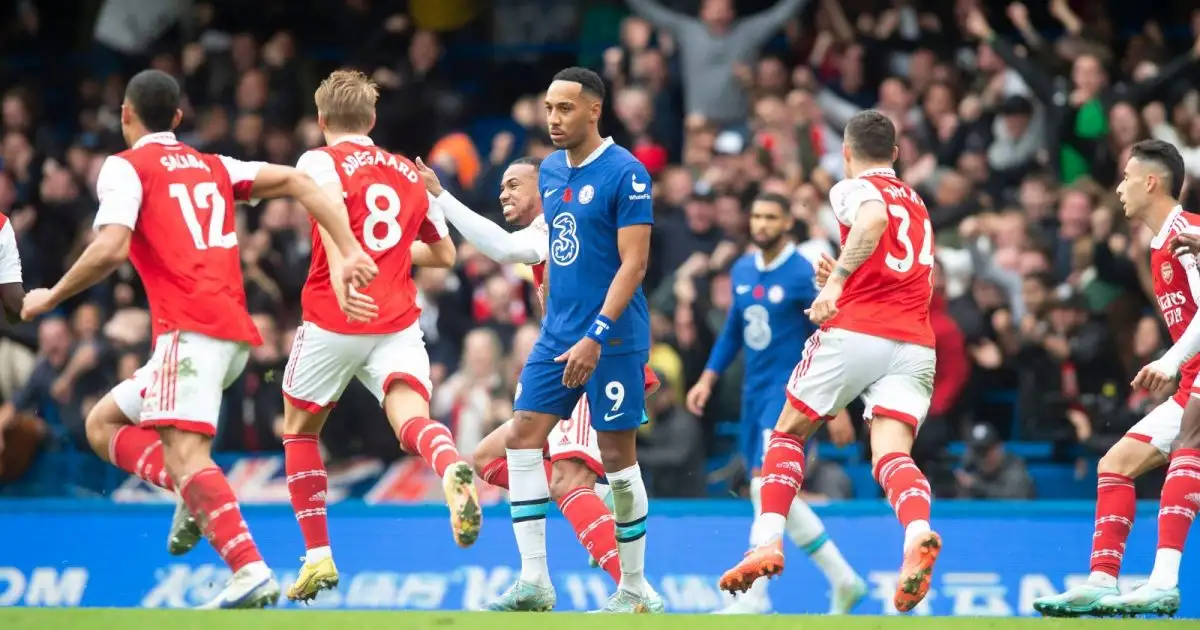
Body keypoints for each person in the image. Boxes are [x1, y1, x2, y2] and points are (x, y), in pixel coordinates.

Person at [20, 69, 378, 609]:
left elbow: (112, 247)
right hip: (230, 336)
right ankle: (193, 491)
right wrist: (348, 247)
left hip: (189, 332)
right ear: (180, 118)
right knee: (104, 423)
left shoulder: (125, 166)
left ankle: (249, 569)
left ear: (126, 115)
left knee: (188, 456)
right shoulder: (215, 166)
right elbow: (302, 183)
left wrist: (49, 296)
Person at [717, 109, 940, 614]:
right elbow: (911, 270)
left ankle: (767, 541)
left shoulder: (853, 188)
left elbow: (873, 218)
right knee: (891, 456)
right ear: (897, 153)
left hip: (859, 329)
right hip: (915, 341)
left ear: (846, 150)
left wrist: (839, 283)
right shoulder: (919, 201)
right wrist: (843, 270)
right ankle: (919, 533)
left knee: (787, 435)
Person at [416, 155, 663, 599]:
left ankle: (634, 592)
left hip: (591, 359)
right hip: (564, 359)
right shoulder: (545, 231)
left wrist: (442, 196)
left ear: (543, 187)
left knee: (568, 479)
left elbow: (504, 248)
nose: (503, 193)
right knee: (491, 456)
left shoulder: (561, 223)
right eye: (502, 186)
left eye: (514, 185)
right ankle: (599, 510)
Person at [277, 69, 476, 603]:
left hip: (336, 312)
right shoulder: (409, 173)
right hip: (397, 318)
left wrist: (347, 261)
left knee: (299, 430)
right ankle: (450, 466)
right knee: (412, 418)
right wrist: (385, 257)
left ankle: (317, 555)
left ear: (322, 120)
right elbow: (444, 255)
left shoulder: (318, 161)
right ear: (372, 119)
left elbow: (328, 212)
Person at [499, 66, 661, 613]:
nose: (554, 118)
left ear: (594, 109)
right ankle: (534, 582)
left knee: (617, 459)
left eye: (565, 108)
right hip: (556, 335)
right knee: (522, 438)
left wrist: (596, 335)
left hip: (612, 338)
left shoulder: (628, 173)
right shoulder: (547, 171)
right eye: (548, 108)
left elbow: (634, 265)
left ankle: (635, 590)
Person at [1034, 139, 1196, 618]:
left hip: (1193, 372)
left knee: (1189, 443)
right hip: (1193, 376)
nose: (1119, 187)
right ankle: (1102, 580)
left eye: (1126, 177)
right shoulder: (1155, 243)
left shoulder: (1185, 232)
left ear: (1151, 181)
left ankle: (1164, 582)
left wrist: (1170, 361)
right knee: (1116, 464)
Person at [686, 192, 866, 615]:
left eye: (771, 217)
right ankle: (844, 579)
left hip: (791, 395)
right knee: (763, 490)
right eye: (756, 216)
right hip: (754, 394)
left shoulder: (805, 274)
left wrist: (836, 406)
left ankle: (753, 597)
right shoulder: (744, 269)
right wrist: (708, 379)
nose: (761, 224)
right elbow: (734, 328)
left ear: (787, 223)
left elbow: (832, 333)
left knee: (765, 486)